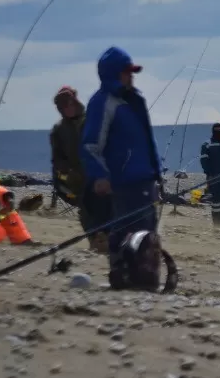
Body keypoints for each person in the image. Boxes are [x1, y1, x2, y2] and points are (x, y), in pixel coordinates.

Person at [81, 47, 164, 289]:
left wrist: (156, 173)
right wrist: (100, 176)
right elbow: (90, 146)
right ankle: (124, 277)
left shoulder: (133, 101)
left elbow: (145, 142)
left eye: (132, 72)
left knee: (147, 233)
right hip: (123, 183)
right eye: (127, 72)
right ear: (114, 74)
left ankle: (146, 279)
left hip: (144, 180)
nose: (132, 76)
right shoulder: (102, 102)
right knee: (126, 232)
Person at [50, 86, 110, 252]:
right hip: (77, 179)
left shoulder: (92, 120)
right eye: (63, 107)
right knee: (86, 212)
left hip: (100, 174)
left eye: (69, 104)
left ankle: (107, 240)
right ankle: (94, 241)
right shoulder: (59, 130)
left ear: (75, 102)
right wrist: (66, 172)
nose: (67, 108)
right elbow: (57, 158)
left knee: (107, 207)